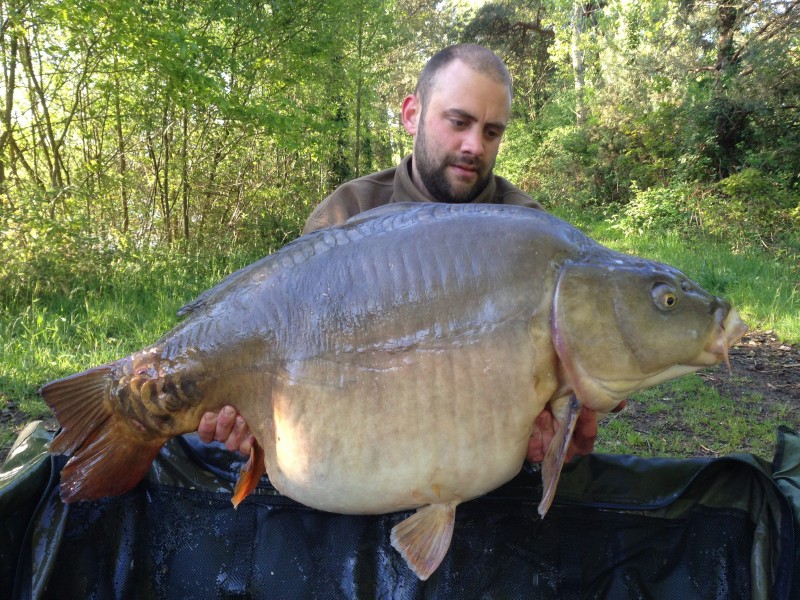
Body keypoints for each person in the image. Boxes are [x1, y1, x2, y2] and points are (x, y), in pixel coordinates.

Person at [197, 43, 624, 469]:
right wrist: (251, 422)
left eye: (492, 132)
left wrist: (559, 438)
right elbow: (284, 350)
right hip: (358, 460)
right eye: (459, 122)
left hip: (475, 473)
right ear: (411, 115)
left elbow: (574, 391)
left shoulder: (530, 234)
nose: (475, 145)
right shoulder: (349, 213)